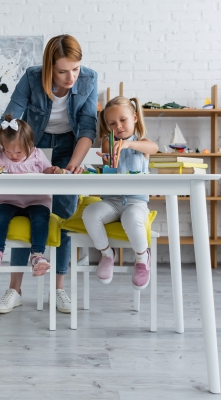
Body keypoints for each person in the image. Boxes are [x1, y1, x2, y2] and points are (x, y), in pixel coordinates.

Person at [0, 35, 98, 314]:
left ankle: (59, 289)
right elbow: (7, 121)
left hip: (70, 145)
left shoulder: (89, 79)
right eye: (62, 71)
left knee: (64, 214)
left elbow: (88, 127)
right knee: (21, 204)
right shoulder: (32, 78)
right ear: (48, 68)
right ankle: (15, 289)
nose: (71, 78)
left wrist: (70, 168)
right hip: (29, 143)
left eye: (76, 69)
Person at [0, 115, 61, 313]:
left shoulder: (37, 154)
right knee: (0, 215)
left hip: (35, 201)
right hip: (6, 200)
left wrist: (53, 171)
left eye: (19, 151)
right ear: (2, 146)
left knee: (42, 217)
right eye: (9, 151)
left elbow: (48, 170)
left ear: (29, 145)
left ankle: (37, 256)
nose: (13, 155)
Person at [82, 96, 158, 290]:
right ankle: (107, 254)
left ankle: (142, 258)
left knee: (131, 218)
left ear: (134, 117)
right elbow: (110, 163)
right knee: (90, 213)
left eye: (123, 120)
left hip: (136, 202)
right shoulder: (108, 144)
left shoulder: (143, 144)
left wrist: (129, 144)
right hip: (112, 201)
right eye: (112, 123)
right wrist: (107, 159)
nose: (119, 126)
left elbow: (154, 148)